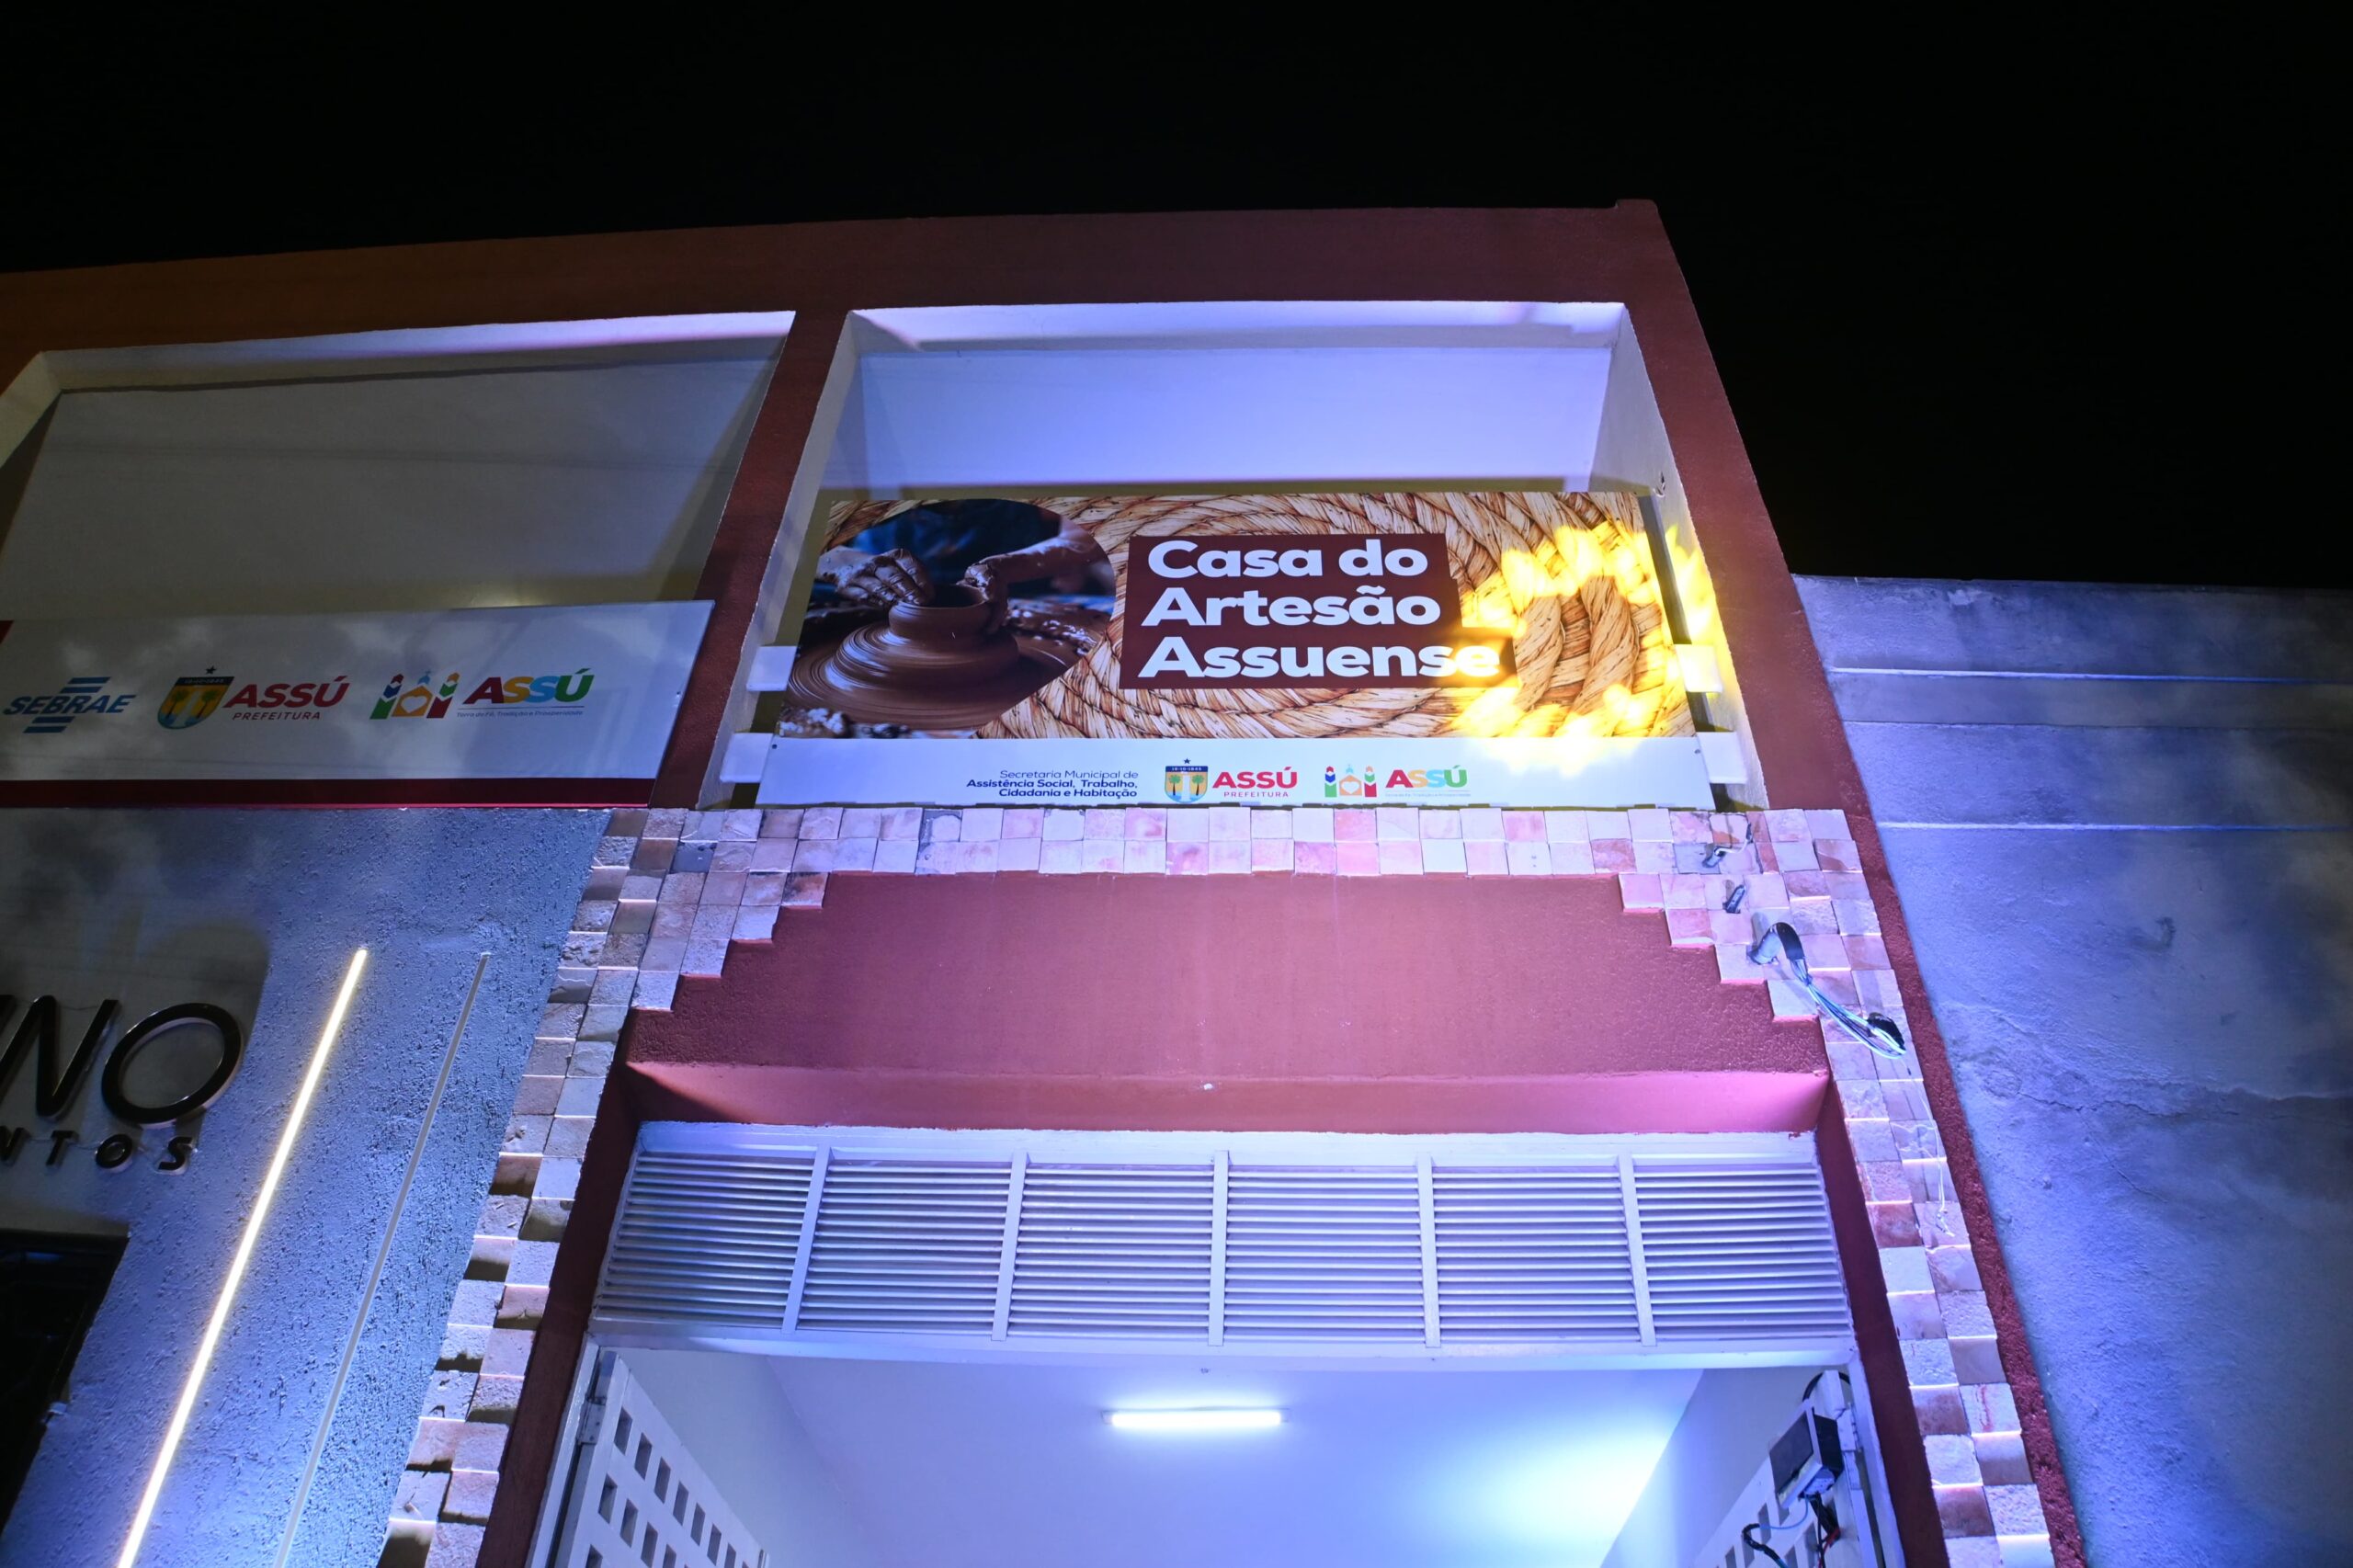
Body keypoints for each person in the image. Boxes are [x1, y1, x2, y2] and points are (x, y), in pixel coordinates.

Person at [813, 500, 1107, 631]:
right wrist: (838, 562)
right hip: (874, 587)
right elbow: (797, 541)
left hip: (1008, 591)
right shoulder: (870, 452)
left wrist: (1004, 567)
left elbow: (1087, 535)